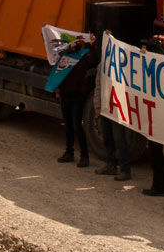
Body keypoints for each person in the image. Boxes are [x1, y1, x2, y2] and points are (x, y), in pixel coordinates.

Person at [93, 55, 133, 182]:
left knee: (120, 138)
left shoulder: (124, 64)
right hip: (106, 106)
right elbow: (98, 85)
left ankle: (125, 169)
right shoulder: (102, 64)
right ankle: (110, 164)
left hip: (118, 107)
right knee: (107, 136)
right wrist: (98, 105)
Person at [55, 39, 93, 168]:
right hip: (65, 94)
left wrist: (91, 45)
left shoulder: (83, 58)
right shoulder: (63, 58)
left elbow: (94, 60)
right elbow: (57, 71)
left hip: (77, 96)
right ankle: (69, 152)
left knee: (77, 125)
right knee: (68, 125)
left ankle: (84, 156)